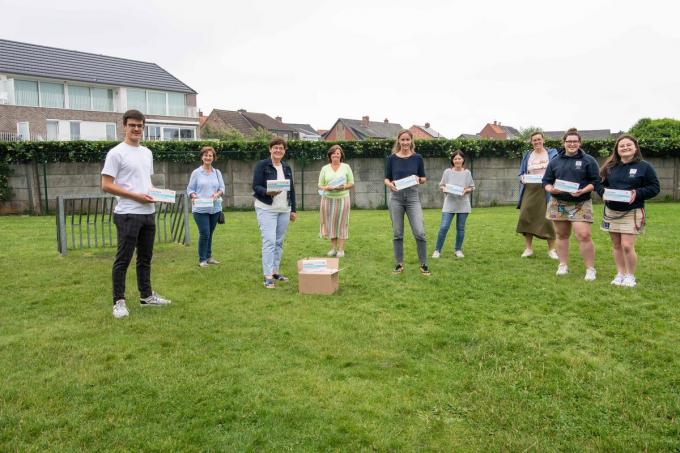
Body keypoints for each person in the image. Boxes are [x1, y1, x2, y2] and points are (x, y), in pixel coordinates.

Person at [101, 109, 171, 318]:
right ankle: (119, 302)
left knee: (146, 258)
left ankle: (146, 296)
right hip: (128, 213)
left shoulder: (147, 153)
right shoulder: (116, 153)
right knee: (123, 259)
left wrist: (155, 194)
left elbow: (145, 182)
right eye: (132, 125)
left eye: (140, 126)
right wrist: (135, 196)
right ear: (124, 126)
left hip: (148, 212)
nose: (136, 129)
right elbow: (106, 185)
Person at [597, 135, 660, 287]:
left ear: (635, 147)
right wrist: (603, 194)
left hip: (632, 211)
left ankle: (630, 276)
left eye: (628, 145)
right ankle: (620, 273)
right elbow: (599, 184)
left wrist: (636, 193)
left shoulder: (645, 166)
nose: (625, 148)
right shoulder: (610, 167)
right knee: (616, 245)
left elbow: (655, 188)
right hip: (611, 211)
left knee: (627, 245)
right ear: (617, 150)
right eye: (621, 146)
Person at [542, 128, 601, 280]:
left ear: (580, 143)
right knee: (561, 235)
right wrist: (551, 189)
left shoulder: (589, 160)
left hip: (580, 202)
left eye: (575, 141)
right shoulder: (555, 161)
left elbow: (596, 181)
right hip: (559, 202)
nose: (572, 144)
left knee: (584, 235)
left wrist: (582, 191)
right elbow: (546, 181)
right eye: (569, 141)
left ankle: (590, 269)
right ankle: (562, 265)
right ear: (564, 143)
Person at [252, 136, 297, 289]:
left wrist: (293, 210)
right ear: (270, 149)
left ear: (284, 151)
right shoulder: (262, 165)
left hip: (284, 209)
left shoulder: (286, 167)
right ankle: (267, 276)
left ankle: (275, 271)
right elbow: (256, 186)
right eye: (275, 147)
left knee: (279, 242)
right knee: (269, 241)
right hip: (266, 208)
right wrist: (267, 192)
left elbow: (292, 190)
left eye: (281, 148)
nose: (278, 150)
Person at [384, 129, 431, 275]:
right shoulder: (391, 158)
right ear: (398, 141)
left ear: (411, 141)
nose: (405, 142)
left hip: (412, 198)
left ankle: (423, 264)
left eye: (407, 140)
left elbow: (423, 178)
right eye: (402, 140)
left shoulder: (418, 158)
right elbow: (387, 178)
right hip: (396, 199)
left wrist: (419, 179)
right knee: (398, 233)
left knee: (420, 232)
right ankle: (399, 264)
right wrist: (389, 184)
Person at [516, 131, 559, 259]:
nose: (537, 142)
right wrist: (522, 178)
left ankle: (552, 250)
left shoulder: (552, 154)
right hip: (530, 189)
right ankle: (528, 249)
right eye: (534, 140)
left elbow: (557, 171)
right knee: (526, 217)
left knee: (548, 219)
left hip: (546, 190)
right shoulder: (527, 155)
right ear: (531, 142)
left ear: (543, 140)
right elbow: (521, 173)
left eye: (539, 139)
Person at [187, 146, 225, 267]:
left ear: (213, 158)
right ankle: (202, 259)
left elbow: (222, 188)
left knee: (210, 233)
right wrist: (193, 196)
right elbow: (190, 189)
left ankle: (209, 257)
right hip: (200, 209)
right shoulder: (196, 173)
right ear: (202, 157)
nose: (208, 157)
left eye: (210, 155)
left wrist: (217, 194)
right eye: (206, 155)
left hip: (215, 208)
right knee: (205, 233)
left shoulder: (217, 172)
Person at [432, 150, 475, 259]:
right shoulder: (447, 172)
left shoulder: (467, 173)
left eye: (459, 158)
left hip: (463, 204)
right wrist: (444, 189)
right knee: (444, 227)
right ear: (452, 160)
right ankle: (437, 250)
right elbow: (441, 185)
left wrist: (466, 191)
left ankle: (458, 250)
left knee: (460, 228)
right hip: (449, 203)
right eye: (455, 158)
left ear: (463, 160)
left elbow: (472, 187)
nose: (457, 160)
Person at [318, 144, 354, 257]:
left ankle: (341, 249)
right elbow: (320, 185)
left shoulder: (346, 167)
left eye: (338, 153)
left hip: (343, 199)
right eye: (333, 153)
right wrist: (327, 188)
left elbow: (351, 183)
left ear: (341, 155)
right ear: (330, 155)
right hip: (327, 199)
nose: (335, 155)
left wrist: (342, 187)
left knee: (342, 223)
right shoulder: (324, 168)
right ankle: (333, 248)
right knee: (331, 223)